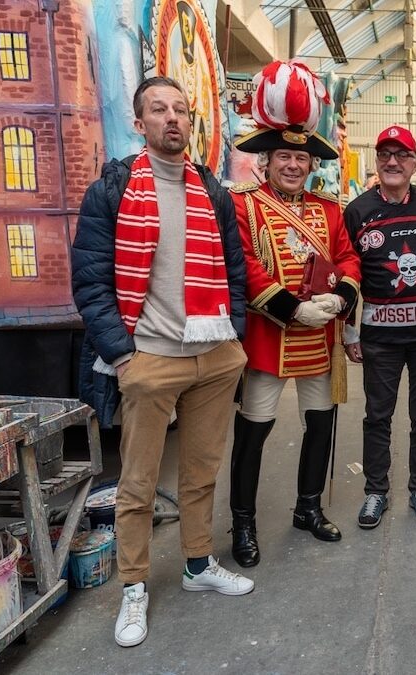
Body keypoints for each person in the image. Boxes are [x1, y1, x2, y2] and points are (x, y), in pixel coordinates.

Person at [72, 76, 252, 649]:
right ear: (140, 121)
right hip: (149, 356)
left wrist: (237, 341)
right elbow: (91, 279)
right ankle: (133, 586)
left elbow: (234, 270)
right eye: (159, 109)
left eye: (180, 109)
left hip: (214, 355)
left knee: (201, 473)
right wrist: (122, 356)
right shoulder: (115, 188)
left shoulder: (211, 189)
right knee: (138, 483)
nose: (172, 118)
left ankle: (198, 566)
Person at [226, 61, 361, 568]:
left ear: (311, 166)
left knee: (321, 425)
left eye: (300, 160)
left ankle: (308, 507)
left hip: (319, 339)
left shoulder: (329, 210)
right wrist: (293, 308)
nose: (292, 166)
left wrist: (339, 299)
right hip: (270, 337)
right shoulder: (244, 205)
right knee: (254, 431)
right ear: (267, 160)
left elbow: (348, 257)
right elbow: (244, 267)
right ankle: (243, 522)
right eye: (283, 156)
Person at [343, 125, 416, 529]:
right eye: (385, 154)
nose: (392, 162)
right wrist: (349, 333)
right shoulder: (357, 211)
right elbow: (348, 273)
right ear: (376, 161)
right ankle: (376, 492)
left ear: (414, 163)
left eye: (401, 155)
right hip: (379, 340)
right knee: (377, 416)